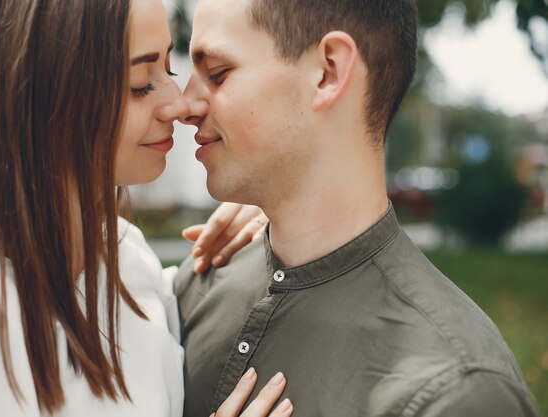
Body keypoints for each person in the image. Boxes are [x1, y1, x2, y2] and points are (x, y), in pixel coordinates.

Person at [0, 0, 292, 416]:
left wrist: (276, 220)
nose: (179, 104)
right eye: (139, 82)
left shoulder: (129, 261)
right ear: (40, 96)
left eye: (168, 69)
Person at [174, 0, 541, 416]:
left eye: (218, 74)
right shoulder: (200, 279)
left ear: (328, 71)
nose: (185, 105)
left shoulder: (457, 393)